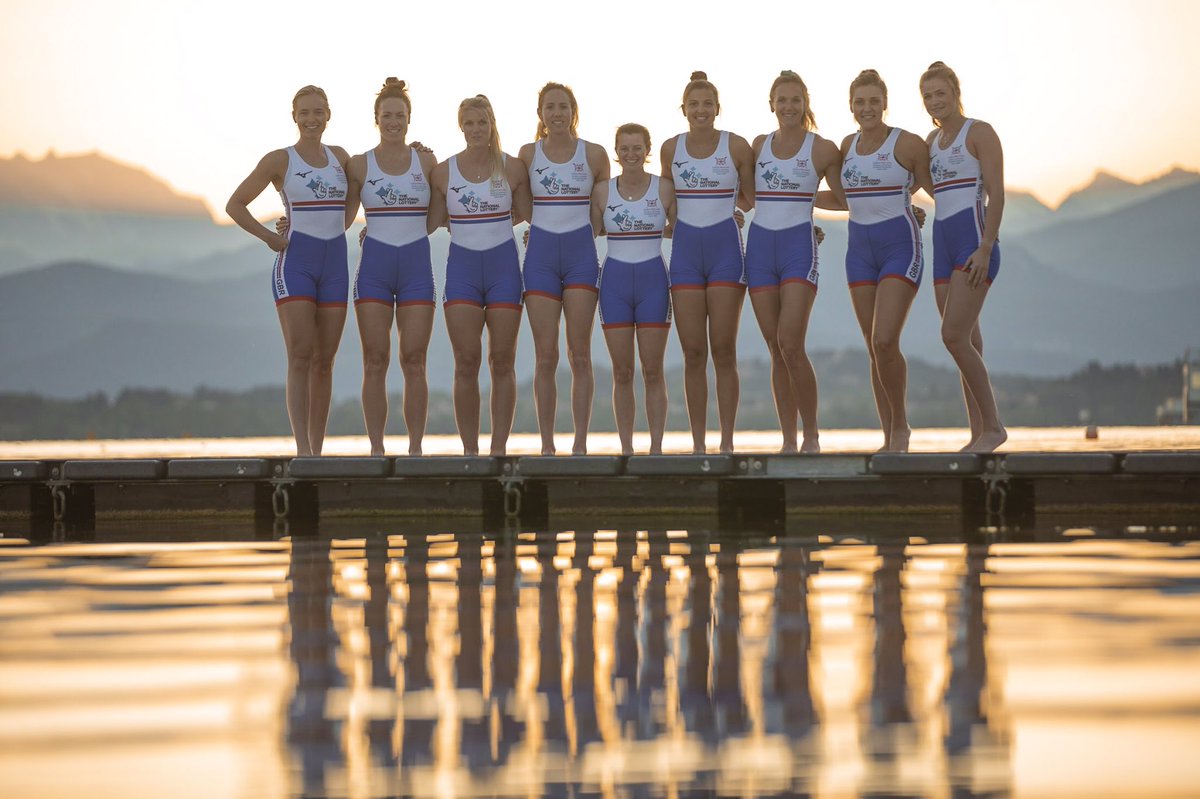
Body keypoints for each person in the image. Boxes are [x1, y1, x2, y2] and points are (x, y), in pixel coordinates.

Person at [226, 85, 350, 456]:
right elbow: (235, 204)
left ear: (329, 115)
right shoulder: (280, 160)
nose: (312, 119)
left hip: (336, 267)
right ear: (294, 117)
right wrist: (269, 237)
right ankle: (303, 451)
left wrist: (420, 152)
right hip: (295, 265)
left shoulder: (342, 158)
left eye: (318, 112)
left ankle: (318, 449)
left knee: (324, 362)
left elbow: (382, 170)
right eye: (304, 113)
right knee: (301, 356)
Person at [746, 70, 845, 454]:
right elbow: (744, 196)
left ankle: (812, 435)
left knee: (791, 342)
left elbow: (847, 199)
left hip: (797, 248)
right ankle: (788, 438)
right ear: (772, 104)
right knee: (774, 347)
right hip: (759, 247)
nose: (789, 107)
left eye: (796, 100)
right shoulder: (758, 146)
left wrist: (805, 198)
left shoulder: (821, 149)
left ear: (806, 104)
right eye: (782, 100)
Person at [838, 69, 934, 452]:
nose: (867, 108)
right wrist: (794, 206)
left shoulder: (907, 144)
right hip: (859, 251)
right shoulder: (845, 146)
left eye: (873, 101)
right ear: (851, 107)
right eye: (860, 102)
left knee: (884, 338)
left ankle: (901, 428)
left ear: (885, 104)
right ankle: (888, 433)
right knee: (872, 344)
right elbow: (844, 200)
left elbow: (933, 186)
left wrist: (910, 208)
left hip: (900, 247)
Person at [661, 71, 755, 454]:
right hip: (685, 254)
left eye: (707, 104)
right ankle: (698, 443)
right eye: (694, 104)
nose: (701, 110)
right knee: (693, 352)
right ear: (684, 109)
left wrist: (736, 212)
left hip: (725, 255)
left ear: (718, 108)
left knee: (723, 349)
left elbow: (751, 199)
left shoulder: (736, 146)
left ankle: (727, 441)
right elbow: (665, 206)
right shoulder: (671, 149)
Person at [429, 95, 530, 456]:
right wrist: (373, 228)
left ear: (492, 125)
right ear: (461, 127)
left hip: (504, 269)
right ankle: (470, 452)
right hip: (462, 272)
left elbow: (531, 214)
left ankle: (498, 450)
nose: (476, 130)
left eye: (482, 123)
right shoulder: (443, 171)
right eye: (469, 124)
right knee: (466, 362)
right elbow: (429, 221)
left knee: (502, 361)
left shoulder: (514, 168)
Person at [345, 78, 438, 456]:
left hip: (416, 265)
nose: (393, 121)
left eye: (400, 115)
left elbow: (438, 217)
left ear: (409, 118)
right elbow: (342, 217)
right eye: (387, 115)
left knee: (414, 360)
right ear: (376, 119)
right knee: (375, 360)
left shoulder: (427, 162)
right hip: (375, 270)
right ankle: (377, 450)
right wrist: (290, 223)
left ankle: (415, 449)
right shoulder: (358, 165)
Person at [517, 83, 610, 455]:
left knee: (580, 353)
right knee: (545, 355)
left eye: (563, 106)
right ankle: (546, 445)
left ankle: (581, 443)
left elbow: (606, 211)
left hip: (580, 257)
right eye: (549, 107)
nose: (556, 113)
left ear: (574, 111)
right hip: (540, 257)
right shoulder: (527, 155)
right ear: (539, 113)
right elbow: (512, 204)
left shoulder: (595, 154)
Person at [921, 61, 1007, 452]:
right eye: (928, 96)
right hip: (942, 244)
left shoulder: (980, 132)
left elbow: (998, 193)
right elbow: (918, 188)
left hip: (974, 244)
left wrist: (986, 247)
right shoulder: (929, 144)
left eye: (941, 93)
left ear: (956, 93)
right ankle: (978, 432)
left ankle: (994, 427)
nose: (935, 101)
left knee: (952, 335)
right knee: (967, 338)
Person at [591, 123, 676, 455]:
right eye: (624, 148)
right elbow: (585, 231)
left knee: (653, 370)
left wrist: (732, 218)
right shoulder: (601, 192)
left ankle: (656, 448)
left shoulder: (665, 188)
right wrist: (535, 235)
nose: (630, 154)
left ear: (647, 151)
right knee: (622, 371)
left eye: (637, 148)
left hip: (654, 280)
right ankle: (626, 448)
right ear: (616, 152)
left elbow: (687, 225)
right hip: (614, 283)